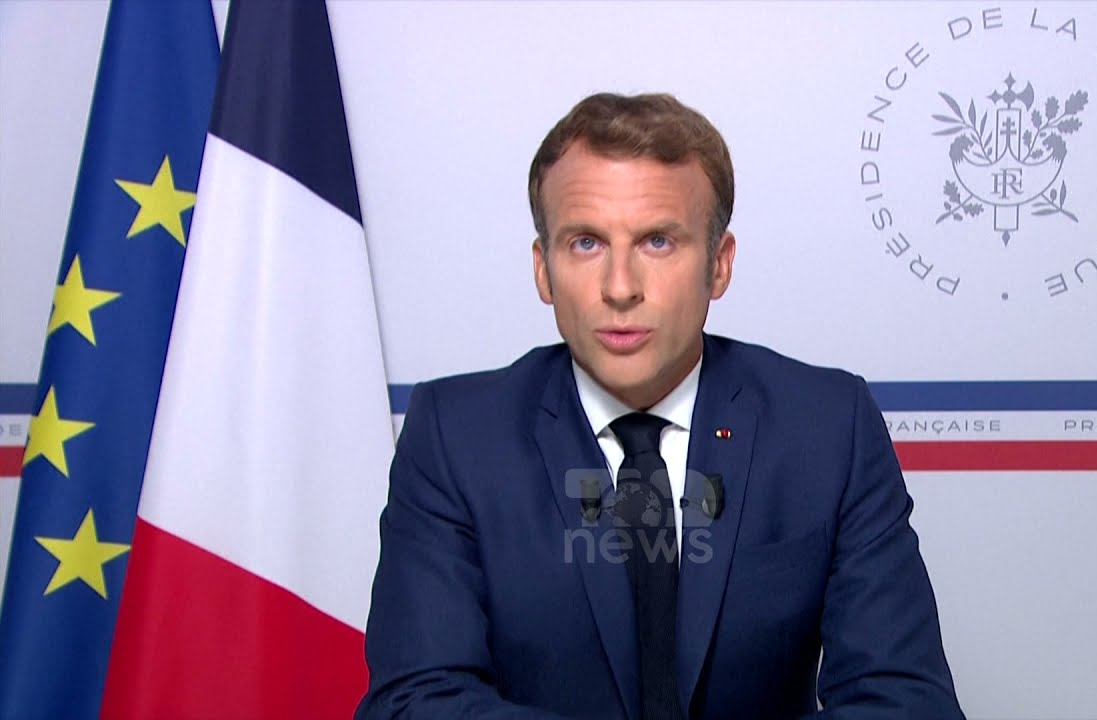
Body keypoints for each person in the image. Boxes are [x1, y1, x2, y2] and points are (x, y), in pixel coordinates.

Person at [357, 92, 964, 719]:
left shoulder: (829, 426)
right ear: (543, 269)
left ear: (719, 265)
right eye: (586, 243)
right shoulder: (454, 436)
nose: (620, 288)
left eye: (657, 242)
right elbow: (413, 701)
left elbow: (907, 703)